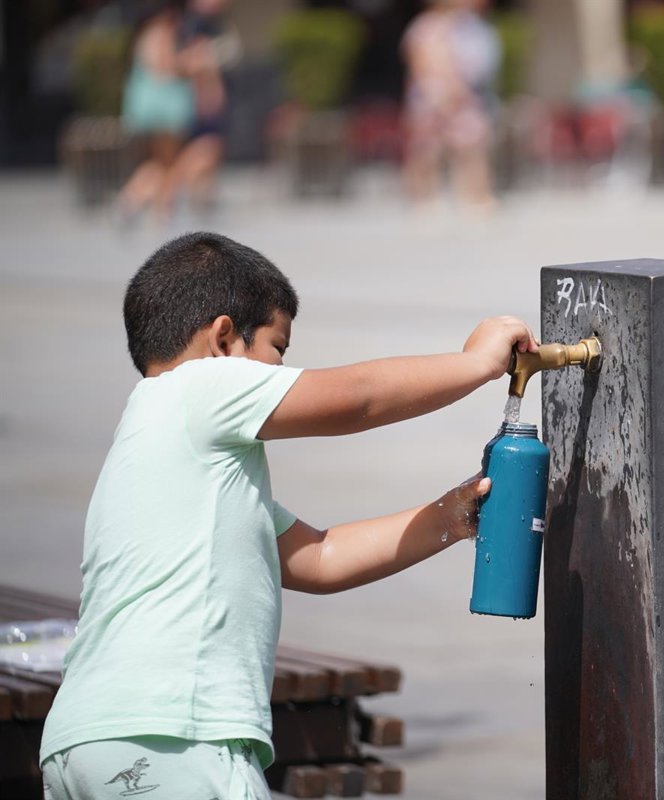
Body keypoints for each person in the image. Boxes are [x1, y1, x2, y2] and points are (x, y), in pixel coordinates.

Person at [38, 232, 538, 798]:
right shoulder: (198, 386)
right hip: (174, 733)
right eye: (279, 349)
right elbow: (357, 398)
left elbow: (320, 558)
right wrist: (475, 364)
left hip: (84, 738)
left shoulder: (172, 456)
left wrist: (452, 516)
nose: (284, 369)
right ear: (222, 339)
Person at [400, 0, 499, 215]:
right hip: (434, 95)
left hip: (463, 95)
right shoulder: (426, 27)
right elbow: (421, 62)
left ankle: (475, 197)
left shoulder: (466, 26)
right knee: (428, 149)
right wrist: (447, 88)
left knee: (470, 147)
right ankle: (424, 199)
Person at [116, 2, 194, 224]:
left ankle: (139, 201)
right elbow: (165, 66)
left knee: (159, 163)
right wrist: (192, 61)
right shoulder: (161, 34)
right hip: (164, 111)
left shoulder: (143, 35)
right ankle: (150, 206)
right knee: (168, 164)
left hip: (146, 110)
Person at [173, 0, 239, 215]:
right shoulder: (196, 24)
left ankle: (198, 198)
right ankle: (167, 190)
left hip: (209, 100)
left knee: (211, 151)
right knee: (206, 149)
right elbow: (190, 62)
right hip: (204, 101)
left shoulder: (212, 23)